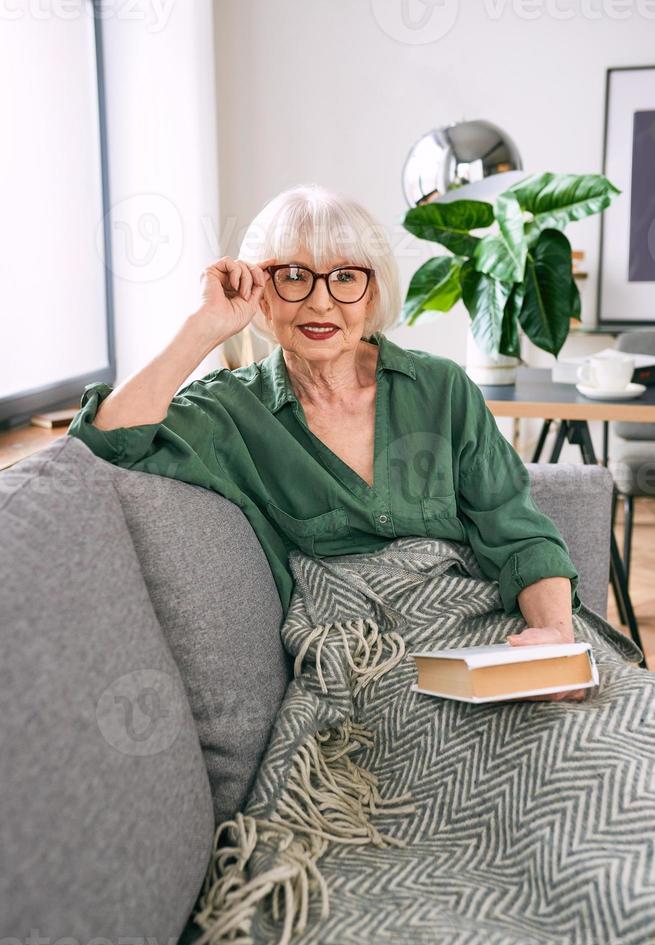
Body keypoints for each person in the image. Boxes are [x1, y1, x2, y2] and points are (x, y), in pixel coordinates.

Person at [67, 184, 585, 701]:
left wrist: (556, 638)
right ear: (259, 292)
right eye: (292, 276)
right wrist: (203, 329)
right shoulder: (229, 412)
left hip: (489, 634)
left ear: (373, 291)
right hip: (369, 668)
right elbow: (101, 444)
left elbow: (521, 534)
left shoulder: (441, 389)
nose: (320, 301)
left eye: (345, 277)